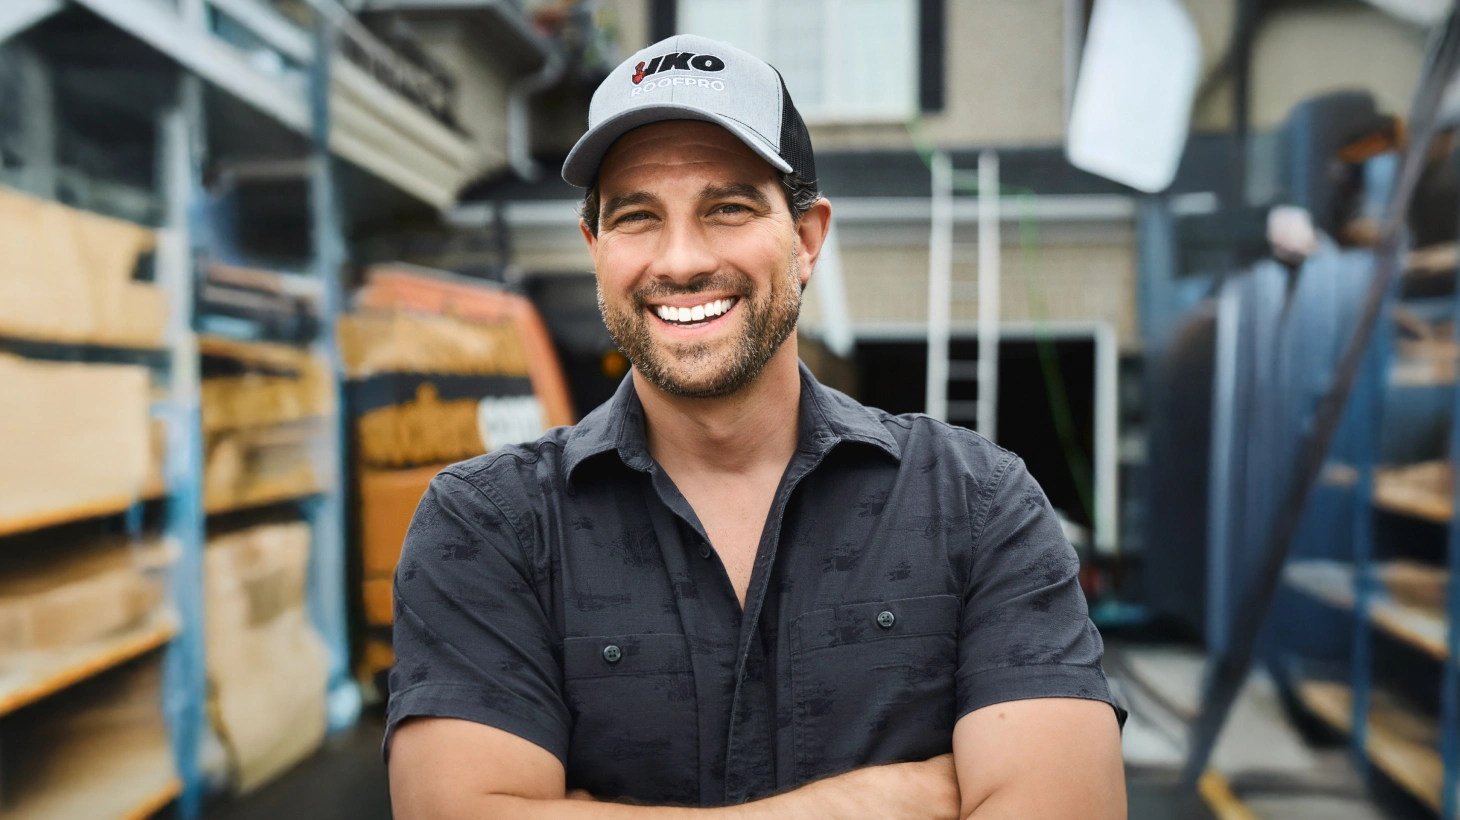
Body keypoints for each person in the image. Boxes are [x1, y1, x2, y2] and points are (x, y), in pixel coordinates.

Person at [386, 34, 1126, 819]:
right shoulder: (491, 525)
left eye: (728, 209)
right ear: (595, 248)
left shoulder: (977, 503)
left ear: (806, 240)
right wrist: (874, 802)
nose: (679, 261)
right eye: (637, 216)